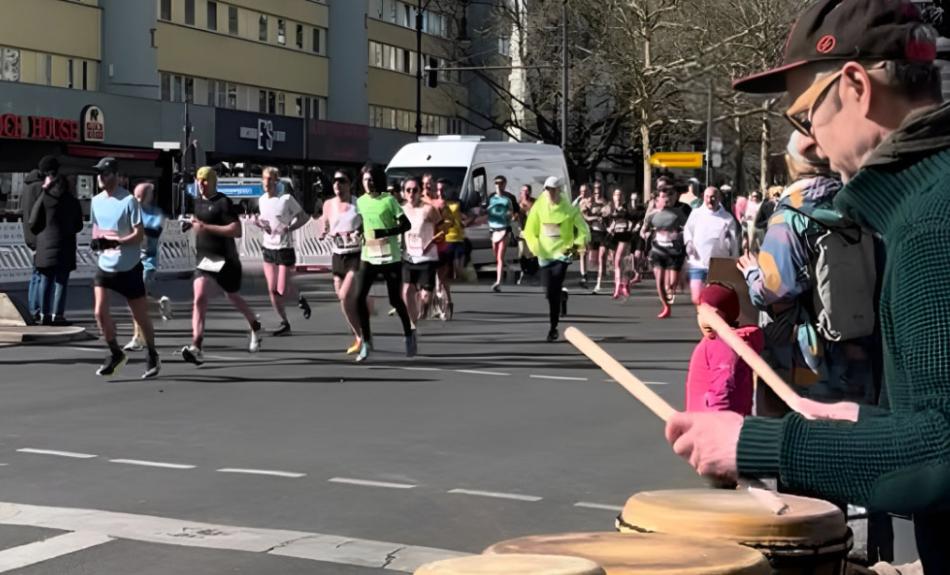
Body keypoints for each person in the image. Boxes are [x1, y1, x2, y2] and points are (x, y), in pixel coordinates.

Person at [664, 1, 950, 570]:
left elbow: (941, 451)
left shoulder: (931, 221)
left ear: (855, 86)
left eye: (805, 116)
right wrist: (864, 423)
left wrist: (750, 444)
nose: (811, 144)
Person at [739, 133, 877, 412]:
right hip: (861, 347)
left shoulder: (789, 217)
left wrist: (753, 273)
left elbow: (773, 289)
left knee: (803, 435)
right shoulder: (862, 207)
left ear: (792, 163)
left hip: (807, 356)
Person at [180, 166, 263, 366]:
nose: (201, 184)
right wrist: (191, 224)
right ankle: (196, 346)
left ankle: (254, 325)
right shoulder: (198, 201)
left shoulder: (223, 202)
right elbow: (200, 222)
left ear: (213, 181)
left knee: (233, 297)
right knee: (199, 297)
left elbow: (236, 230)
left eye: (205, 180)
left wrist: (205, 227)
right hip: (205, 258)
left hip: (225, 260)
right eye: (198, 180)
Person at [88, 157, 160, 379]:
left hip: (129, 266)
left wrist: (118, 242)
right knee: (99, 311)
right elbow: (97, 230)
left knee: (140, 315)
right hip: (105, 265)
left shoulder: (129, 201)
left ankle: (152, 353)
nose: (101, 177)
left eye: (105, 173)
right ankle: (115, 353)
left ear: (116, 176)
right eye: (99, 173)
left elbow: (139, 235)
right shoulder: (96, 201)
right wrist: (98, 241)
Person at [351, 163, 415, 362]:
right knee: (358, 298)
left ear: (377, 180)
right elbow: (365, 222)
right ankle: (367, 341)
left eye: (371, 180)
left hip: (389, 257)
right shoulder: (360, 201)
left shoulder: (388, 200)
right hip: (369, 255)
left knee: (395, 300)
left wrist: (386, 232)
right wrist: (359, 231)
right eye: (364, 180)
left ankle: (409, 333)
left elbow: (406, 224)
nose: (368, 184)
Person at [523, 176, 590, 342]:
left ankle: (553, 327)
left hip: (562, 254)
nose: (550, 193)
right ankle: (561, 296)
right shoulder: (538, 208)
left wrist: (576, 246)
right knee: (548, 293)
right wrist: (534, 247)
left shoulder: (569, 209)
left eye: (553, 190)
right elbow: (530, 231)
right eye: (547, 190)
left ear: (559, 190)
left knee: (554, 286)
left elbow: (583, 230)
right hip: (545, 255)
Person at [686, 283, 763, 415]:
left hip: (712, 426)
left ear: (728, 315)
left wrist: (718, 425)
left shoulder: (723, 344)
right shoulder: (726, 340)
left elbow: (723, 389)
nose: (706, 321)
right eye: (701, 313)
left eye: (714, 315)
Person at [254, 167, 311, 337]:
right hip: (268, 248)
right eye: (264, 179)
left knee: (282, 289)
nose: (266, 182)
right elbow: (266, 221)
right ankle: (284, 323)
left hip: (284, 248)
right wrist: (260, 224)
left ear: (277, 181)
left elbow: (304, 217)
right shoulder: (262, 200)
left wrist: (290, 227)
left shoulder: (286, 199)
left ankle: (300, 298)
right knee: (272, 290)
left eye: (270, 179)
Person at [29, 157, 83, 327]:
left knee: (45, 281)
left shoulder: (44, 200)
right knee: (61, 282)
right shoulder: (72, 201)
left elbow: (32, 222)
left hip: (45, 248)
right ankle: (57, 315)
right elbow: (79, 225)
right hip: (65, 246)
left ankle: (44, 315)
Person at [124, 182, 172, 352]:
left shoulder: (155, 213)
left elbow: (155, 232)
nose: (136, 199)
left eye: (139, 196)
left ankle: (138, 338)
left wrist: (139, 231)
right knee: (136, 301)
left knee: (137, 300)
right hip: (132, 260)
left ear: (146, 197)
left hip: (148, 261)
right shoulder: (131, 211)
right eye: (134, 196)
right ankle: (159, 304)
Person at [321, 169, 363, 354]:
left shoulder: (358, 203)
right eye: (335, 181)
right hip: (338, 255)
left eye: (342, 181)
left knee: (345, 296)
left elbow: (368, 224)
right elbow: (325, 224)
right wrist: (324, 231)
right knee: (343, 298)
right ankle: (359, 331)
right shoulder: (328, 204)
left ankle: (362, 337)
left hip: (355, 255)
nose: (337, 184)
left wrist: (358, 232)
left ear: (349, 184)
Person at [683, 187, 740, 306]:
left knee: (713, 300)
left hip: (717, 263)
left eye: (713, 197)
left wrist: (733, 256)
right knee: (696, 298)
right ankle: (706, 317)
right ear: (703, 198)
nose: (710, 200)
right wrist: (689, 243)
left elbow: (734, 240)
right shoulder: (696, 213)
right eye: (707, 197)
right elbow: (688, 230)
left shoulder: (727, 218)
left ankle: (709, 320)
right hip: (697, 261)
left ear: (719, 198)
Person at [640, 187, 686, 319]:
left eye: (668, 197)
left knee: (671, 283)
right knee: (659, 281)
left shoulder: (678, 213)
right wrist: (645, 234)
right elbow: (643, 231)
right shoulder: (651, 215)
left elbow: (688, 228)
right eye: (663, 197)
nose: (666, 200)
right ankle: (666, 306)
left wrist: (679, 234)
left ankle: (671, 290)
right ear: (657, 200)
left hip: (673, 250)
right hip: (658, 250)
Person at [401, 178, 443, 324]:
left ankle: (425, 306)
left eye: (415, 190)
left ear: (420, 192)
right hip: (409, 256)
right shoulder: (402, 210)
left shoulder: (428, 209)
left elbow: (443, 228)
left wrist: (431, 242)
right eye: (408, 190)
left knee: (425, 296)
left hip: (427, 257)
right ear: (404, 193)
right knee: (406, 291)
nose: (411, 193)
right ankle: (412, 325)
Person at [20, 165, 45, 323]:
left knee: (35, 275)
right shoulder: (40, 188)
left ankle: (32, 308)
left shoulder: (27, 188)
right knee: (41, 276)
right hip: (40, 237)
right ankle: (38, 309)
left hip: (29, 236)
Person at [486, 175, 516, 292]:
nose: (498, 185)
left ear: (504, 184)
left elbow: (512, 213)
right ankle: (503, 267)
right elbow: (486, 211)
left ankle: (498, 282)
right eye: (496, 183)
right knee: (496, 256)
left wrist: (510, 215)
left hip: (504, 229)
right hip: (493, 230)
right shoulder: (491, 198)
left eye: (501, 183)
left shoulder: (507, 199)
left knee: (499, 257)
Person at [604, 187, 634, 300]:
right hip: (613, 236)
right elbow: (607, 220)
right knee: (618, 263)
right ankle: (622, 284)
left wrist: (631, 226)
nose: (618, 196)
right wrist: (609, 228)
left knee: (618, 260)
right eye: (616, 194)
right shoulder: (610, 207)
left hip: (624, 234)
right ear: (613, 196)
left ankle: (619, 288)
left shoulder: (627, 207)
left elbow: (632, 218)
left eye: (620, 194)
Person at [579, 182, 609, 292]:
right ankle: (584, 275)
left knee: (600, 257)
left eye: (599, 188)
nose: (597, 191)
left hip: (601, 232)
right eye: (581, 191)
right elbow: (585, 217)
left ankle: (599, 282)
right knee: (585, 254)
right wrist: (596, 217)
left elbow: (608, 213)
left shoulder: (604, 202)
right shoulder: (584, 202)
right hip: (587, 231)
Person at [517, 184, 538, 285]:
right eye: (523, 190)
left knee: (532, 252)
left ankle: (532, 273)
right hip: (521, 231)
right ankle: (523, 271)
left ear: (530, 192)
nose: (525, 192)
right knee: (521, 252)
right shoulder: (518, 203)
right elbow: (515, 217)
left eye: (527, 191)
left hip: (532, 231)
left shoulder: (534, 202)